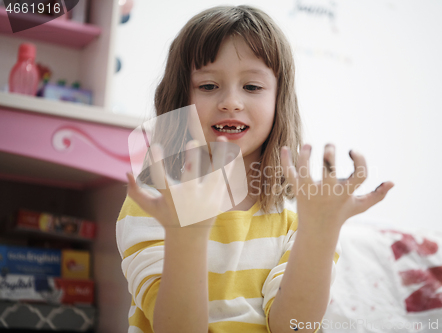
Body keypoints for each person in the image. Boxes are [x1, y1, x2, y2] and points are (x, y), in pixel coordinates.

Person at [116, 5, 394, 333]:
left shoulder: (297, 214)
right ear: (181, 100)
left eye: (252, 87)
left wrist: (319, 231)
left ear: (279, 102)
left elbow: (292, 327)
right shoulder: (155, 202)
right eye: (208, 86)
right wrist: (187, 235)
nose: (231, 102)